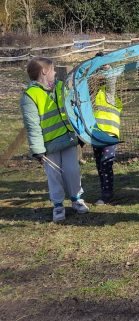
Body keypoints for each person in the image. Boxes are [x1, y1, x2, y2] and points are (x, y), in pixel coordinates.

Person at [20, 57, 88, 222]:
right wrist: (38, 150)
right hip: (49, 145)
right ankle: (58, 205)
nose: (56, 72)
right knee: (54, 175)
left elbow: (74, 109)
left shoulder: (61, 87)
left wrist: (80, 134)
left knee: (73, 171)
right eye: (53, 69)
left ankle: (76, 199)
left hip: (68, 139)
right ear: (44, 71)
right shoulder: (30, 96)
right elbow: (33, 126)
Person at [91, 59, 122, 205]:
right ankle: (104, 189)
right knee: (99, 165)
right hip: (95, 135)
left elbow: (111, 79)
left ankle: (107, 193)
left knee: (106, 164)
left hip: (109, 135)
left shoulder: (109, 93)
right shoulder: (90, 97)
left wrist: (106, 66)